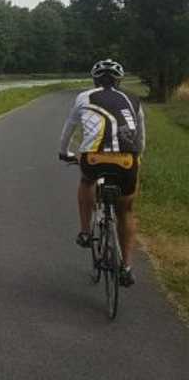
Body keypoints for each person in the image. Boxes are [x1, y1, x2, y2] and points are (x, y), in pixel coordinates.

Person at [58, 58, 145, 287]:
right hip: (127, 160)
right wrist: (137, 157)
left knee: (87, 182)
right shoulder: (133, 99)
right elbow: (141, 139)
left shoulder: (84, 97)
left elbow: (70, 126)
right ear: (119, 80)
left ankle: (86, 232)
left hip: (93, 158)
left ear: (95, 79)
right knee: (125, 210)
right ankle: (126, 267)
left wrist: (63, 152)